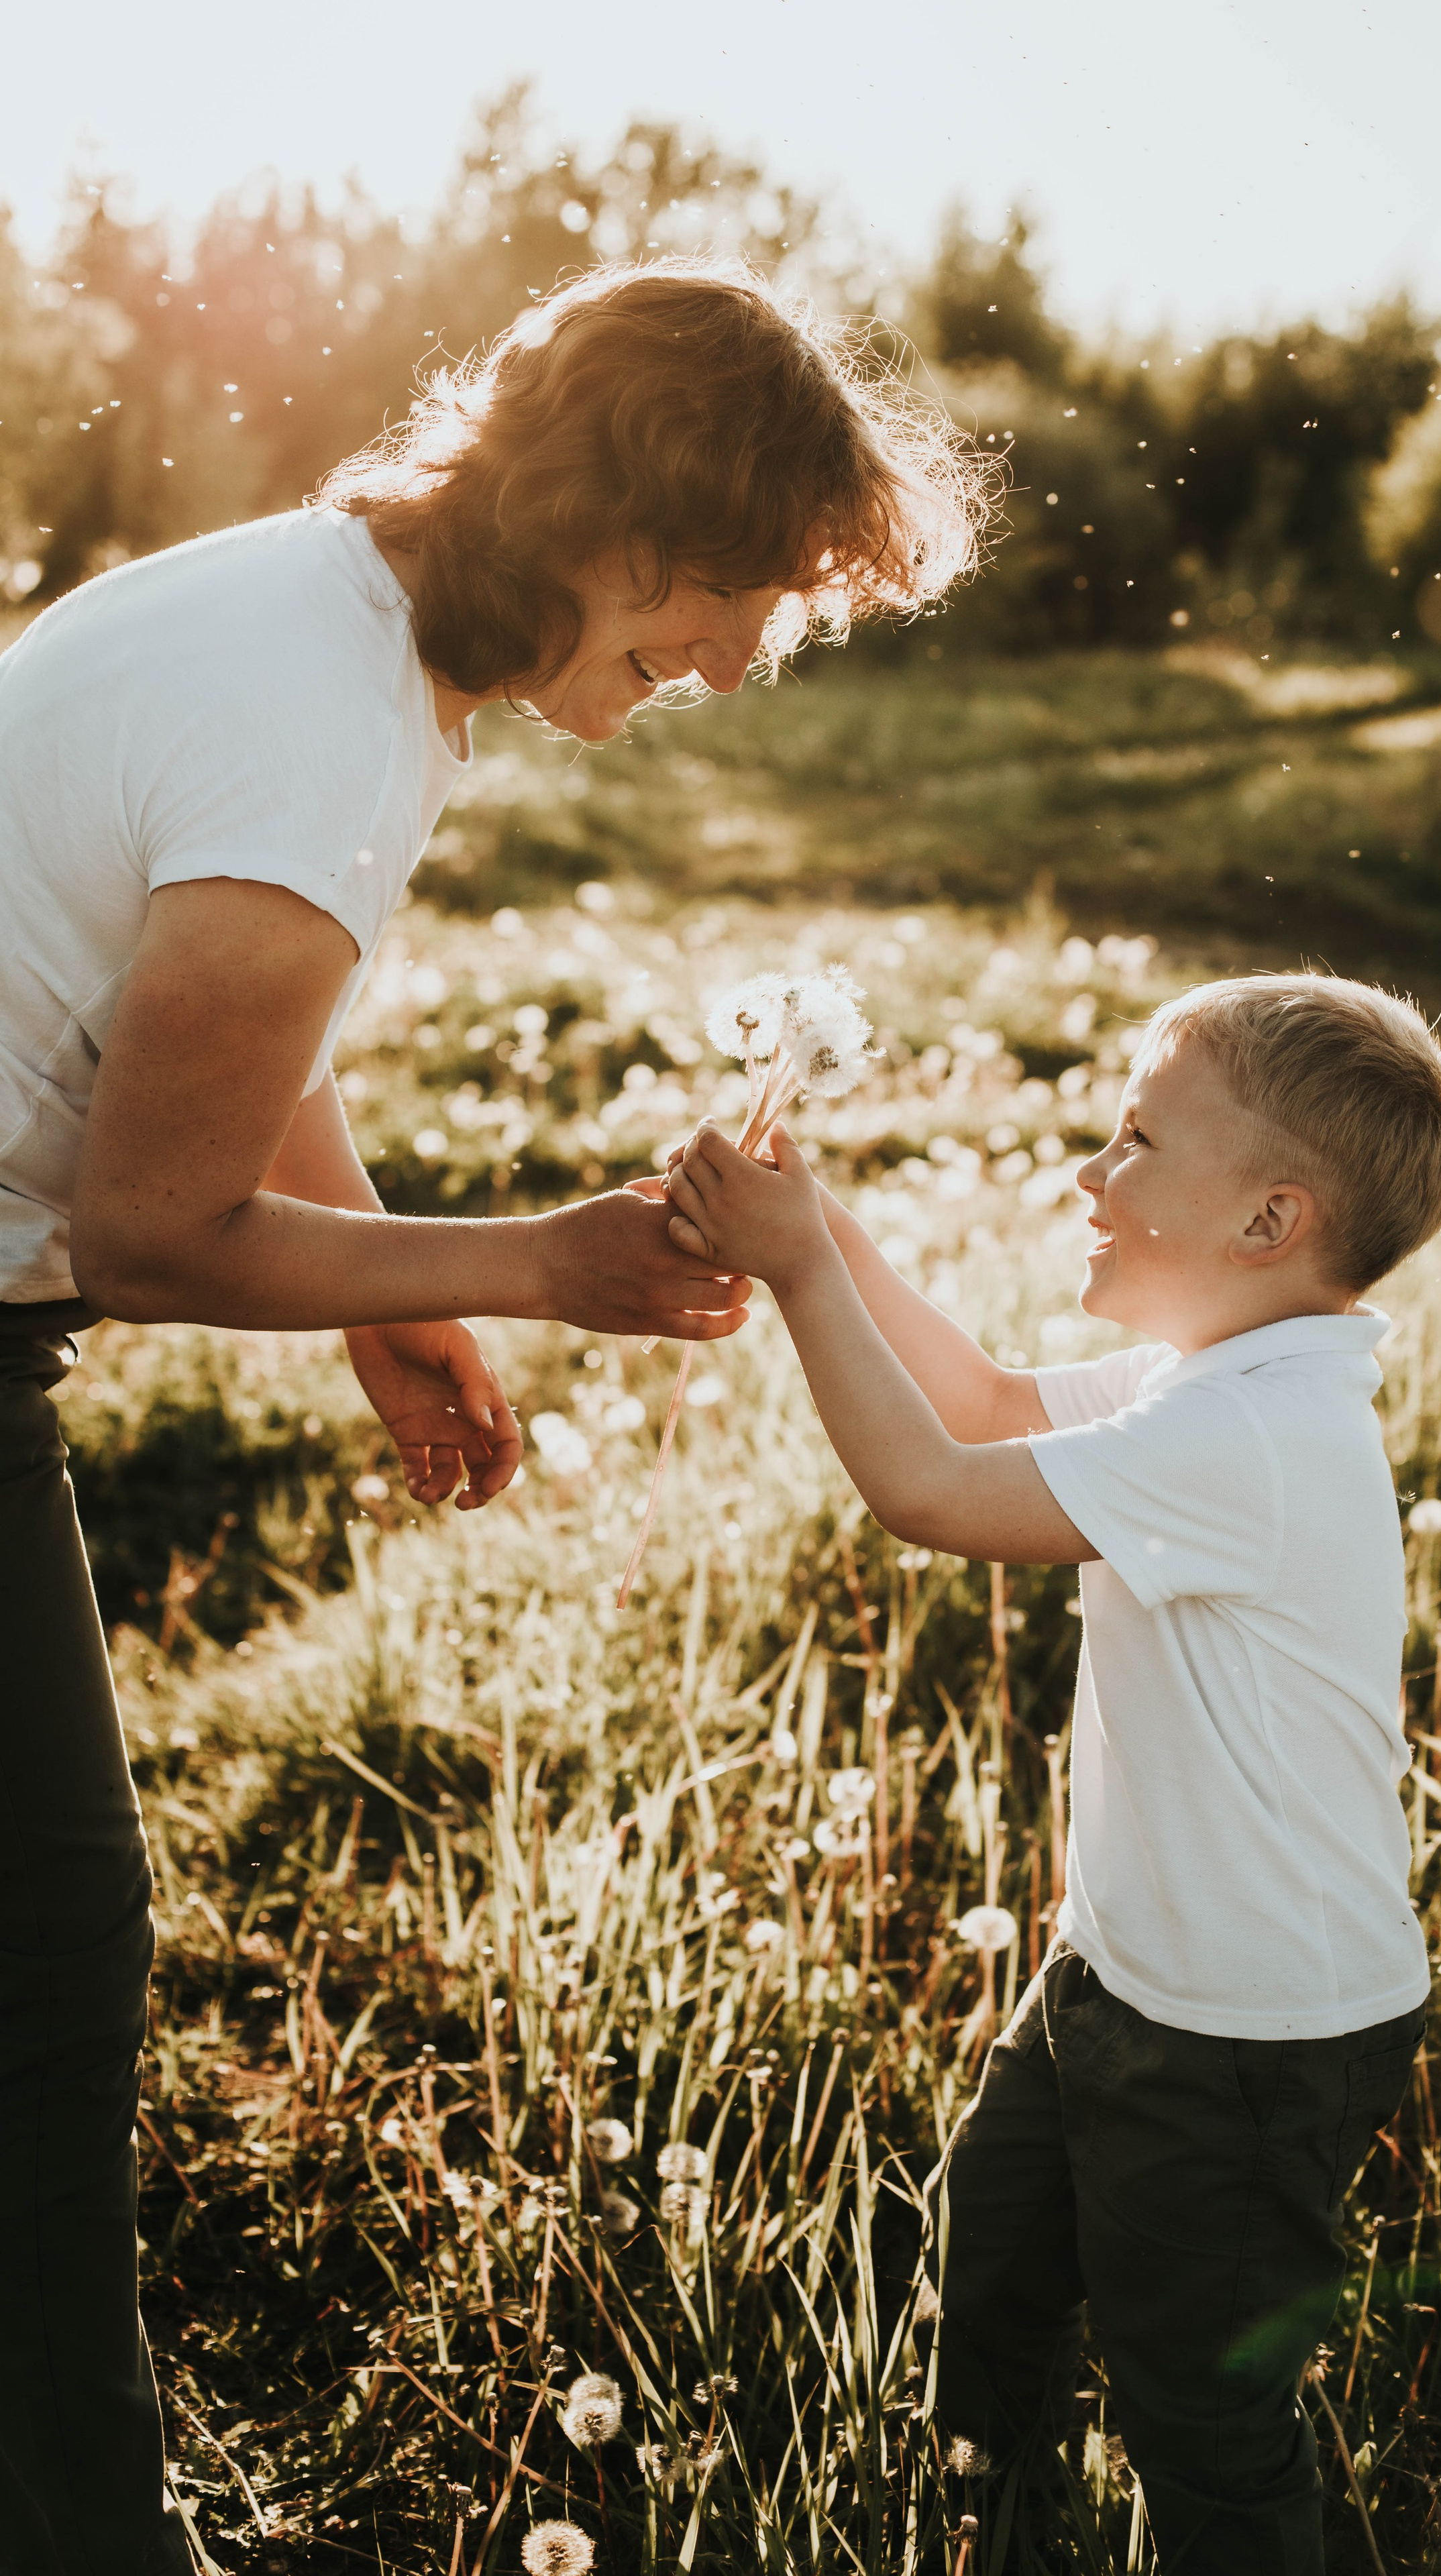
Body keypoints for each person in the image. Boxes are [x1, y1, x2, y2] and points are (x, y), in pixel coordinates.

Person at [0, 256, 983, 2575]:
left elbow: (202, 1011)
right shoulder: (320, 727)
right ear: (633, 536)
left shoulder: (299, 617)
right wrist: (536, 1262)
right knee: (53, 1950)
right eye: (742, 601)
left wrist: (376, 1295)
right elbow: (149, 1231)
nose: (744, 662)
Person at [662, 971, 1441, 2573]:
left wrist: (802, 1264)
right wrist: (816, 1218)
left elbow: (930, 1489)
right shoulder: (1217, 1379)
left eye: (1128, 1142)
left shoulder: (1258, 1432)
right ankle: (990, 2523)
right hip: (1117, 1978)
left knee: (1201, 2415)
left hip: (1247, 2039)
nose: (1082, 1179)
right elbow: (985, 1404)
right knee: (993, 2274)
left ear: (1266, 1220)